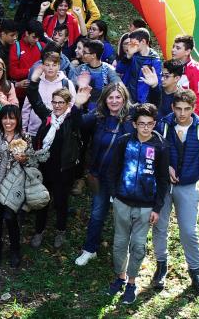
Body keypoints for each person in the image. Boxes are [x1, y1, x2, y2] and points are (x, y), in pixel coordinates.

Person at [152, 89, 199, 293]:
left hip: (187, 186)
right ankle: (161, 267)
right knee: (160, 227)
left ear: (194, 108)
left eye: (187, 109)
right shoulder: (162, 126)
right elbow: (153, 153)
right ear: (172, 107)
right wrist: (165, 166)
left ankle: (195, 272)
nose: (182, 113)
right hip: (163, 185)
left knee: (188, 230)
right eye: (178, 108)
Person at [106, 103, 169, 304]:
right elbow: (113, 170)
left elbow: (163, 180)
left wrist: (157, 207)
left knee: (139, 246)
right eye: (141, 124)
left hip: (145, 206)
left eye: (149, 124)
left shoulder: (160, 146)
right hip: (122, 202)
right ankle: (120, 278)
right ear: (134, 124)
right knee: (119, 244)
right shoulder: (124, 142)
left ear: (154, 124)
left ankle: (132, 283)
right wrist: (114, 196)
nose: (145, 128)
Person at [26, 65, 92, 249]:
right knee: (42, 201)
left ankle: (60, 231)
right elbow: (34, 99)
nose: (56, 106)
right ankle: (39, 231)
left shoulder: (72, 121)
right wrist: (34, 80)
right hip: (45, 167)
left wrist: (78, 104)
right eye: (54, 102)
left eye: (61, 103)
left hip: (64, 170)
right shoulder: (48, 117)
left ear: (68, 104)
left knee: (61, 202)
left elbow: (80, 120)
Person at [74, 83, 133, 267]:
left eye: (118, 97)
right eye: (110, 97)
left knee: (124, 217)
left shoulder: (132, 118)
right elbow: (78, 124)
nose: (114, 101)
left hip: (123, 179)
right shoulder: (98, 117)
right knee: (97, 214)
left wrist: (155, 87)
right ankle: (90, 249)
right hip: (100, 175)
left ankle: (125, 252)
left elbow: (155, 110)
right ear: (105, 99)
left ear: (124, 98)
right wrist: (77, 105)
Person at [0, 105, 44, 267]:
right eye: (5, 118)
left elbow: (33, 163)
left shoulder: (25, 138)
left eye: (12, 118)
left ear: (17, 120)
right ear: (0, 119)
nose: (8, 121)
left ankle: (15, 250)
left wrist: (24, 159)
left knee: (11, 218)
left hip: (15, 187)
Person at [21, 51, 75, 137]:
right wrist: (23, 128)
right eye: (47, 65)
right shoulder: (35, 83)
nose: (50, 68)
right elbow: (26, 107)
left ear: (59, 66)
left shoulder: (67, 83)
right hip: (34, 130)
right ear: (42, 66)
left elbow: (72, 106)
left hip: (58, 131)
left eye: (54, 65)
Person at [68, 39, 121, 110]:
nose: (82, 54)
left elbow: (119, 86)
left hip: (103, 108)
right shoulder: (80, 69)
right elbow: (70, 87)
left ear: (93, 55)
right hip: (82, 107)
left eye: (85, 52)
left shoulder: (108, 69)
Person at [171, 34, 199, 116]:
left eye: (178, 48)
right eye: (173, 47)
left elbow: (198, 99)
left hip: (188, 117)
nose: (173, 50)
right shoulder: (172, 66)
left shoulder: (197, 71)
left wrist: (190, 118)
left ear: (187, 51)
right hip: (173, 113)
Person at [119, 28, 162, 105]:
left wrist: (143, 102)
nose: (131, 45)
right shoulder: (133, 54)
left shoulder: (154, 60)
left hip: (143, 101)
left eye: (133, 43)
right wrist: (128, 56)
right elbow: (119, 69)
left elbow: (157, 85)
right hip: (128, 97)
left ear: (143, 42)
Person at [9, 19, 45, 100]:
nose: (36, 40)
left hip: (38, 93)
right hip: (20, 94)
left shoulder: (42, 46)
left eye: (38, 38)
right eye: (34, 37)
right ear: (26, 33)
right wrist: (31, 71)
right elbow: (13, 72)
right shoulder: (16, 47)